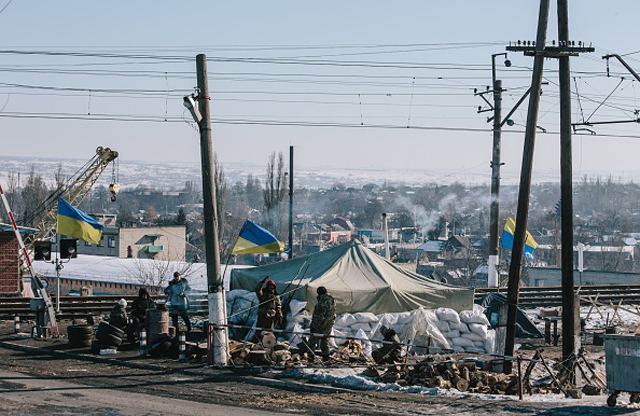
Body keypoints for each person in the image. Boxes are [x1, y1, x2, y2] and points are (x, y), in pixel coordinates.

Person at [306, 286, 336, 361]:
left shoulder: (321, 303)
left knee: (312, 341)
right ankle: (326, 357)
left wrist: (314, 327)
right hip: (328, 324)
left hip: (319, 325)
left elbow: (319, 317)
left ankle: (311, 357)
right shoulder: (332, 301)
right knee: (325, 341)